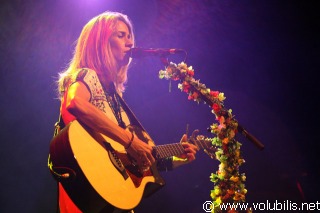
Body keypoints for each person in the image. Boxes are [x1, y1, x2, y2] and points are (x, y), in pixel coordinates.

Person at [52, 11, 198, 213]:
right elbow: (75, 103)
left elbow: (129, 160)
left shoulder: (113, 94)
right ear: (100, 42)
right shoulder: (87, 75)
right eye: (120, 35)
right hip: (87, 189)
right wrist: (130, 140)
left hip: (110, 194)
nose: (129, 42)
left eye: (130, 36)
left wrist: (175, 160)